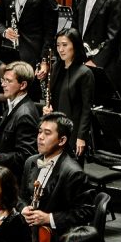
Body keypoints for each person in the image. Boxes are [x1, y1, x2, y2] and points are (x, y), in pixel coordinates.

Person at [21, 113, 96, 242]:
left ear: (62, 140)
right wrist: (23, 208)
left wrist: (49, 218)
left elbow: (86, 212)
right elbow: (20, 197)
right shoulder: (31, 162)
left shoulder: (73, 173)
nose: (40, 137)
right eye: (39, 132)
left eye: (47, 134)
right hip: (27, 237)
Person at [73, 0, 121, 90]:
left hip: (102, 66)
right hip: (80, 61)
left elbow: (113, 39)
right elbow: (75, 30)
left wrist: (95, 62)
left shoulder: (115, 0)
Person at [44, 29, 94, 159]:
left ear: (75, 46)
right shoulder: (56, 67)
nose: (61, 49)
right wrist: (48, 108)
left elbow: (86, 109)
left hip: (74, 130)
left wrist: (81, 137)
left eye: (65, 45)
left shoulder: (85, 73)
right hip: (56, 129)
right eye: (58, 45)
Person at [0, 62, 40, 176]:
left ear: (23, 85)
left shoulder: (25, 114)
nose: (3, 85)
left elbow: (26, 155)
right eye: (3, 80)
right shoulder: (13, 104)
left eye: (8, 81)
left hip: (14, 178)